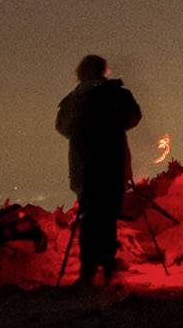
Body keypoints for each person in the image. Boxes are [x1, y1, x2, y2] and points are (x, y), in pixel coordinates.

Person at [54, 54, 142, 285]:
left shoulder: (75, 99)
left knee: (90, 217)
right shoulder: (117, 94)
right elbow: (133, 118)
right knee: (109, 215)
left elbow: (63, 127)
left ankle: (88, 270)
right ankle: (108, 265)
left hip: (85, 165)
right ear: (104, 71)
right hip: (113, 162)